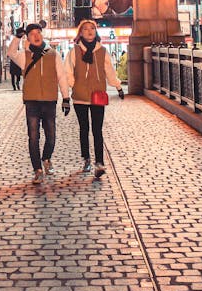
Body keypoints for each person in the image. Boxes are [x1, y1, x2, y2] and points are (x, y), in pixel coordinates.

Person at [7, 23, 70, 184]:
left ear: (42, 35)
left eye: (38, 33)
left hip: (49, 100)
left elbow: (62, 76)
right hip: (32, 101)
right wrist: (17, 37)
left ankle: (46, 158)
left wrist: (66, 98)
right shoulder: (24, 56)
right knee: (33, 137)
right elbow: (11, 53)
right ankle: (37, 169)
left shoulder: (53, 54)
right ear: (28, 38)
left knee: (51, 136)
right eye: (32, 34)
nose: (36, 36)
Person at [65, 19, 124, 179]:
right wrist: (73, 85)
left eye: (92, 28)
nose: (89, 31)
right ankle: (86, 159)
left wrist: (117, 86)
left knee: (97, 130)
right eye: (85, 29)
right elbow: (68, 71)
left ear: (96, 32)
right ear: (80, 33)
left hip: (97, 94)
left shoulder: (102, 51)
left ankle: (99, 162)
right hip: (80, 97)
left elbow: (109, 72)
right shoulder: (74, 51)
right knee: (84, 129)